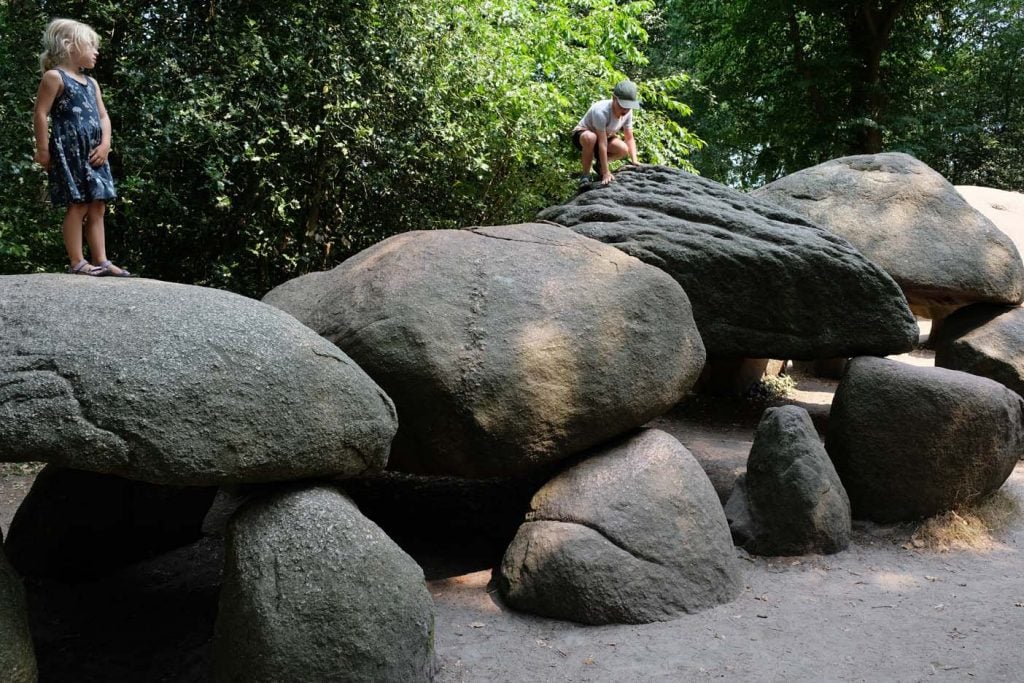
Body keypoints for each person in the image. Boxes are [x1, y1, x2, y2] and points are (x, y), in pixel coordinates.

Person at [33, 18, 131, 277]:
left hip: (95, 151)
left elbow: (103, 116)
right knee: (78, 204)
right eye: (91, 45)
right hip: (70, 151)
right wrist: (43, 150)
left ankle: (102, 260)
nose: (96, 51)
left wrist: (106, 144)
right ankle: (77, 261)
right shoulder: (55, 77)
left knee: (98, 204)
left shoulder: (92, 83)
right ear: (70, 46)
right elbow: (41, 114)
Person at [572, 79, 641, 186]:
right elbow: (602, 143)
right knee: (591, 138)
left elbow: (629, 137)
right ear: (614, 98)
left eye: (628, 107)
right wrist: (606, 172)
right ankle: (585, 176)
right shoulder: (601, 111)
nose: (625, 110)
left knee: (623, 149)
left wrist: (635, 161)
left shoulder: (628, 112)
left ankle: (599, 165)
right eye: (622, 106)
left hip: (605, 136)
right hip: (583, 135)